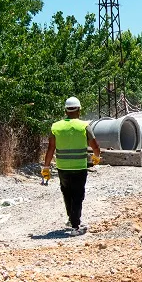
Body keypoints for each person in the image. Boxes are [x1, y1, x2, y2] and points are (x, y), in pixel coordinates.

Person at [41, 97, 101, 236]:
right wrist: (96, 157)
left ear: (65, 110)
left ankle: (72, 220)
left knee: (67, 194)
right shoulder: (84, 126)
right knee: (78, 195)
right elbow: (95, 146)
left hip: (62, 168)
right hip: (79, 167)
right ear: (79, 110)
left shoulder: (56, 126)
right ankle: (75, 226)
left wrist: (46, 167)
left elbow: (51, 148)